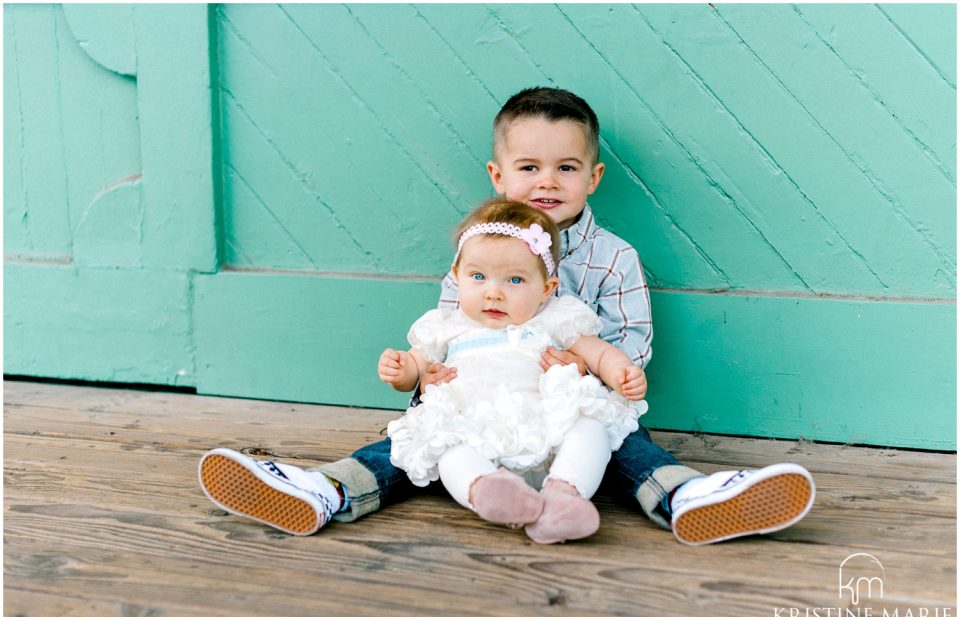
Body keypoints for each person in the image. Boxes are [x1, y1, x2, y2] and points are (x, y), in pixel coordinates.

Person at [198, 87, 815, 545]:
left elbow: (630, 344)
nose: (547, 182)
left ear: (592, 177)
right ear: (499, 175)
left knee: (623, 440)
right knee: (418, 443)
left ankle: (687, 496)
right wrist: (422, 374)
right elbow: (446, 330)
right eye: (528, 167)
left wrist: (593, 364)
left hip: (567, 408)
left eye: (566, 168)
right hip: (479, 407)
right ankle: (326, 489)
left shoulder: (613, 258)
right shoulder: (477, 254)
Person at [379, 198, 648, 543]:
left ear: (546, 289)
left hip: (550, 430)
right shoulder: (446, 325)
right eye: (478, 276)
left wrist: (621, 372)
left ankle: (564, 494)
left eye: (515, 280)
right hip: (475, 427)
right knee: (447, 444)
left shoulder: (555, 317)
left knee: (591, 424)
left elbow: (599, 354)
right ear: (456, 276)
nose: (494, 293)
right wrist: (401, 370)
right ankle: (487, 491)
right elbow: (415, 368)